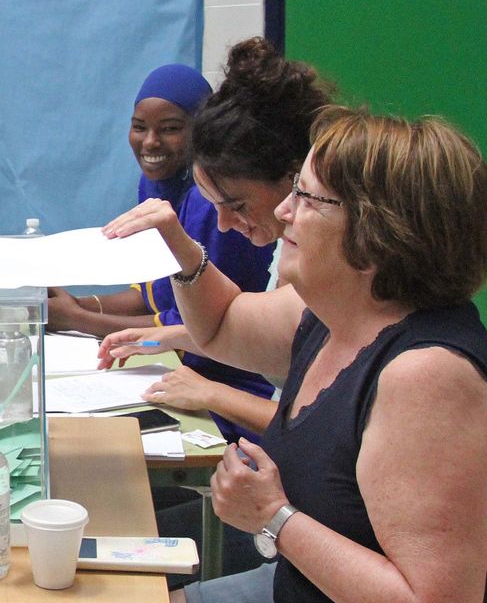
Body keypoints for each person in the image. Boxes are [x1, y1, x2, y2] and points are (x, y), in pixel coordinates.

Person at [109, 108, 487, 603]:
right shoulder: (332, 311)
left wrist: (273, 517)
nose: (284, 210)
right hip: (320, 602)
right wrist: (180, 250)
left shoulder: (427, 378)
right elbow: (219, 327)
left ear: (379, 231)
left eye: (309, 200)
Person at [99, 38, 336, 438]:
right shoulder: (291, 253)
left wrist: (212, 394)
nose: (225, 224)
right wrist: (165, 335)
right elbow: (236, 329)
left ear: (297, 180)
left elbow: (324, 431)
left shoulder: (334, 280)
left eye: (237, 205)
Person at [48, 63, 274, 443]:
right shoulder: (158, 185)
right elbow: (155, 295)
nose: (150, 142)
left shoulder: (211, 208)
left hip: (229, 383)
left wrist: (81, 319)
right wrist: (80, 306)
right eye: (139, 127)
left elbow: (204, 327)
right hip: (186, 367)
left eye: (170, 128)